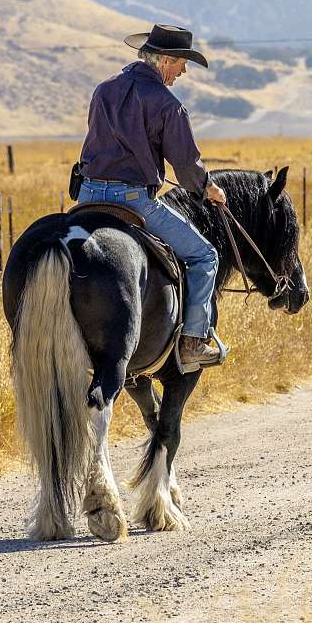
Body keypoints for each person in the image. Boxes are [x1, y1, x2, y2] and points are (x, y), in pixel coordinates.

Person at [77, 23, 228, 369]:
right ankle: (192, 341)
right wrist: (208, 189)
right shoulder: (167, 104)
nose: (184, 71)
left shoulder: (103, 91)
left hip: (87, 195)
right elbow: (186, 165)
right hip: (132, 200)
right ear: (165, 61)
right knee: (205, 256)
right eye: (181, 63)